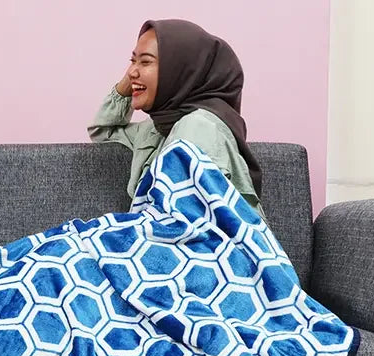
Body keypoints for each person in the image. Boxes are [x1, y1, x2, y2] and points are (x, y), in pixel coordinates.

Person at [89, 19, 265, 218]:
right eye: (132, 61)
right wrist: (132, 80)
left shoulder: (199, 128)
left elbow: (192, 224)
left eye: (145, 61)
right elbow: (102, 131)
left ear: (179, 71)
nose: (131, 72)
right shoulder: (157, 128)